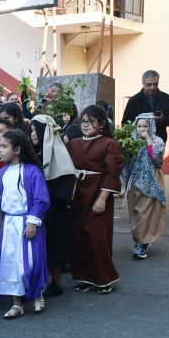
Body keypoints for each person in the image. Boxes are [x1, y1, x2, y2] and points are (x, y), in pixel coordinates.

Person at [0, 130, 49, 318]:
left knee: (31, 260)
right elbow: (1, 200)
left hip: (27, 221)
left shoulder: (32, 171)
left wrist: (33, 222)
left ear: (17, 149)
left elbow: (41, 200)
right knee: (10, 262)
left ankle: (37, 294)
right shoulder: (2, 173)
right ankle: (17, 304)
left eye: (4, 146)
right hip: (9, 224)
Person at [65, 105, 125, 294]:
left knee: (97, 236)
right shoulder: (73, 144)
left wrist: (102, 198)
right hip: (78, 192)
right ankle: (84, 277)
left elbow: (112, 173)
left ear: (101, 124)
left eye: (91, 121)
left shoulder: (109, 144)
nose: (86, 124)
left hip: (98, 192)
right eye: (83, 121)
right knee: (79, 235)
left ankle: (104, 278)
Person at [30, 115, 76, 298]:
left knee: (56, 245)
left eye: (35, 130)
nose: (32, 134)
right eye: (31, 130)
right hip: (34, 210)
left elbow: (64, 183)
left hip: (55, 210)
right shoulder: (32, 153)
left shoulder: (60, 155)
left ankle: (55, 283)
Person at [121, 114, 167, 259]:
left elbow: (156, 159)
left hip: (150, 180)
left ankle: (141, 244)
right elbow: (125, 162)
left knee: (146, 212)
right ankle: (141, 240)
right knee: (135, 211)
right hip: (135, 180)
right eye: (139, 126)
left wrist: (148, 140)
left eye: (145, 126)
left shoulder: (157, 141)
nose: (142, 129)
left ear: (151, 127)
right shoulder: (131, 141)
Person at [122, 70, 169, 143]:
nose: (152, 87)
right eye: (149, 84)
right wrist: (143, 120)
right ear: (143, 83)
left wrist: (162, 120)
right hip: (139, 142)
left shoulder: (166, 98)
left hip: (159, 141)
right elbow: (125, 123)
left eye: (155, 84)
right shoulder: (134, 100)